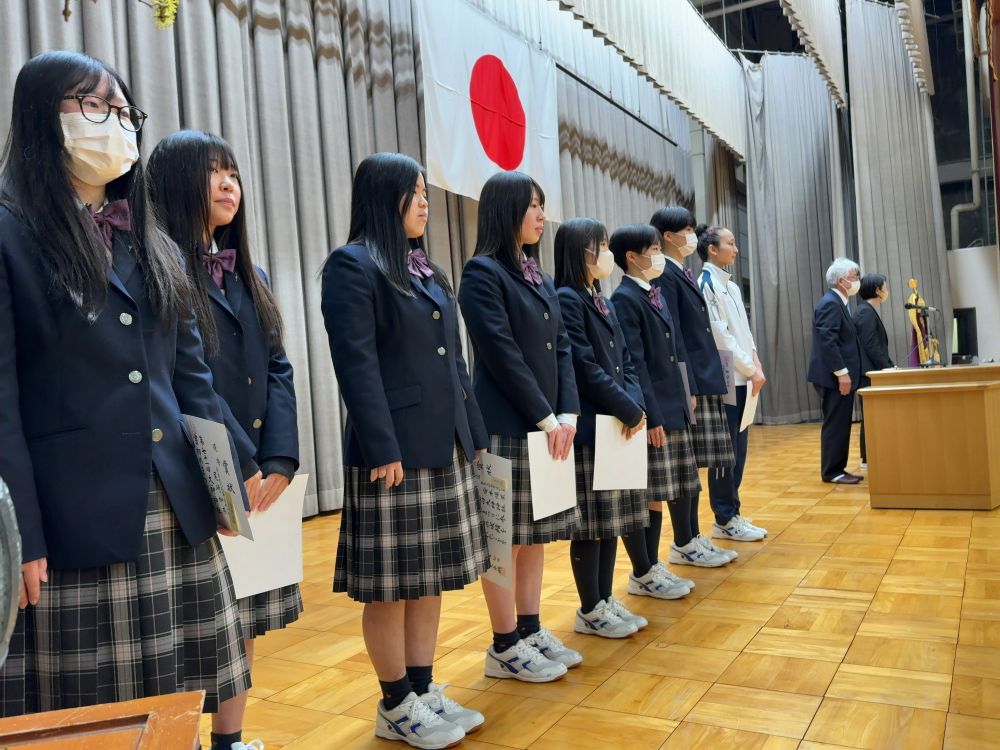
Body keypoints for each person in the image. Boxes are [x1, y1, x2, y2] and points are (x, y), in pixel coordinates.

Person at [0, 50, 250, 722]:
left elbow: (191, 378)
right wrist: (20, 535)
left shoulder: (150, 237)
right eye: (94, 105)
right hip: (72, 516)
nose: (115, 123)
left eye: (123, 111)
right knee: (98, 709)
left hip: (174, 502)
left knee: (185, 691)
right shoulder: (9, 231)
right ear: (40, 115)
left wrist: (223, 490)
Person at [321, 152, 489, 749]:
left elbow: (455, 362)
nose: (424, 202)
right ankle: (394, 703)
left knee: (428, 577)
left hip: (443, 443)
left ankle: (421, 688)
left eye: (425, 192)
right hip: (392, 452)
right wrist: (380, 445)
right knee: (390, 585)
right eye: (414, 192)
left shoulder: (427, 269)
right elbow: (356, 364)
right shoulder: (352, 264)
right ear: (383, 197)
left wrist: (473, 434)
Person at [148, 130, 302, 750]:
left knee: (246, 618)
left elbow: (279, 366)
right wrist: (241, 458)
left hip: (259, 474)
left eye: (233, 172)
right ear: (175, 183)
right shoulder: (159, 269)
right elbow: (191, 382)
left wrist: (280, 456)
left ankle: (230, 739)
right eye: (213, 171)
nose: (228, 184)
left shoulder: (250, 273)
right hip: (199, 471)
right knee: (198, 621)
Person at [458, 171, 583, 681]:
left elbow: (563, 348)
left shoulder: (541, 276)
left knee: (535, 536)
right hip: (509, 425)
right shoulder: (482, 273)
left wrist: (568, 413)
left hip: (550, 427)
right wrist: (545, 416)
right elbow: (502, 354)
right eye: (533, 205)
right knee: (504, 540)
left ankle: (530, 629)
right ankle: (504, 644)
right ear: (506, 209)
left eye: (542, 205)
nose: (541, 215)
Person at [554, 217, 649, 639]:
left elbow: (625, 359)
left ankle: (605, 598)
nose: (606, 254)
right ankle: (589, 607)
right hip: (593, 426)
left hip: (617, 424)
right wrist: (625, 407)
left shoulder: (601, 298)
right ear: (580, 252)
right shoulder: (567, 298)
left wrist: (635, 404)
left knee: (611, 520)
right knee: (591, 525)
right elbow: (584, 366)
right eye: (601, 246)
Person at [610, 223, 705, 601]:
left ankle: (652, 566)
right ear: (632, 257)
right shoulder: (624, 298)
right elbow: (636, 363)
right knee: (647, 493)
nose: (658, 255)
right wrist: (651, 415)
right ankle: (643, 570)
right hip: (653, 411)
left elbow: (675, 349)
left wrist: (686, 392)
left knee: (664, 489)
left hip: (672, 403)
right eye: (652, 249)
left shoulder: (654, 293)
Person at [650, 209, 742, 563]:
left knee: (691, 468)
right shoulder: (665, 274)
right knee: (684, 467)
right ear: (668, 235)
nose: (693, 236)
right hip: (688, 382)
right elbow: (672, 334)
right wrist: (685, 384)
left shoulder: (680, 271)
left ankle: (692, 536)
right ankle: (684, 541)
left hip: (701, 377)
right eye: (687, 230)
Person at [694, 225, 768, 543]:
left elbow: (744, 332)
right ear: (712, 249)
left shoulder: (732, 286)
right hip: (727, 379)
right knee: (725, 452)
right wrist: (750, 369)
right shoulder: (706, 284)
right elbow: (721, 337)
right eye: (731, 243)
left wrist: (756, 363)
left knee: (739, 449)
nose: (736, 249)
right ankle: (723, 516)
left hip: (746, 377)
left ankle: (733, 513)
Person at [808, 257, 863, 484]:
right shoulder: (831, 303)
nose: (858, 280)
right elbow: (827, 341)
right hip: (835, 378)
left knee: (841, 423)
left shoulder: (839, 302)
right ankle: (832, 471)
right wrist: (842, 373)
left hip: (839, 376)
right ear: (841, 281)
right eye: (854, 276)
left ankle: (838, 468)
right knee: (836, 423)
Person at [853, 274, 894, 468]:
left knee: (873, 417)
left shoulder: (867, 311)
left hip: (873, 372)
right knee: (870, 418)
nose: (887, 290)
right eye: (885, 287)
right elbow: (870, 345)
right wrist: (887, 367)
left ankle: (871, 457)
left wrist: (890, 364)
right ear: (877, 290)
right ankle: (867, 458)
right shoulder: (865, 312)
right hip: (868, 375)